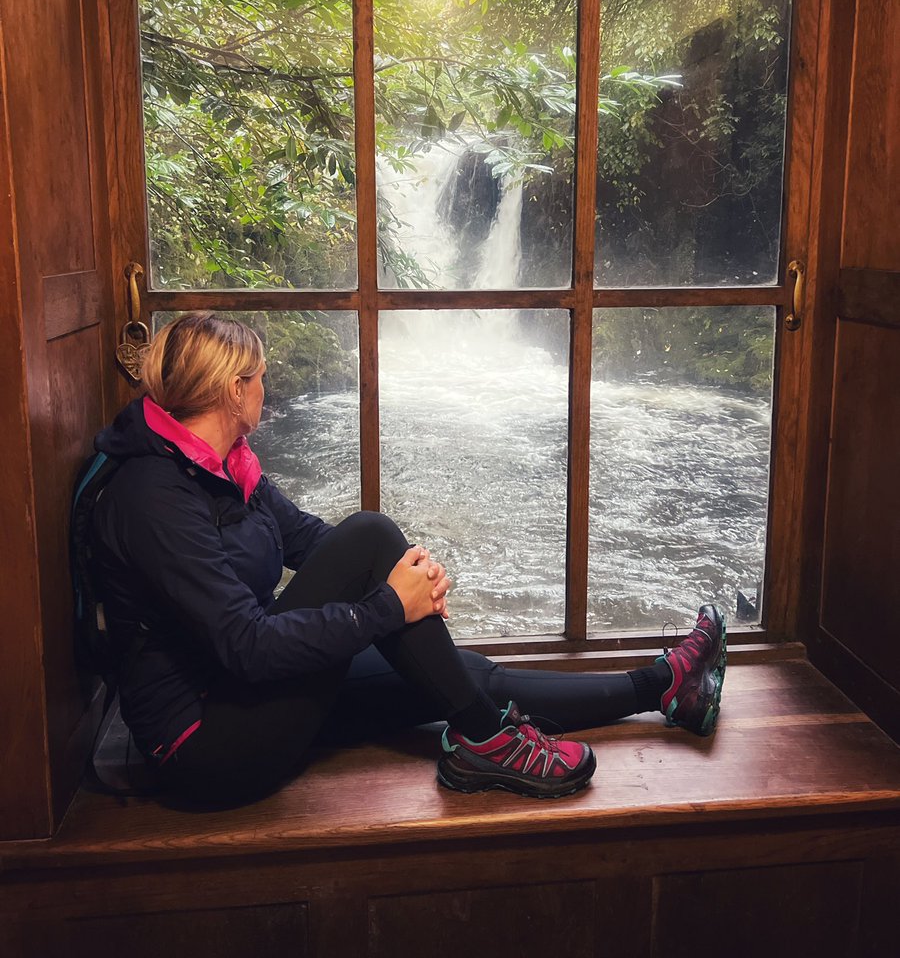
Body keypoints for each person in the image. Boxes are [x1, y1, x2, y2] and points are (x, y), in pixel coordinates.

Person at [90, 312, 727, 806]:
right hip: (208, 743)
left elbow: (308, 541)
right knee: (370, 536)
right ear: (234, 389)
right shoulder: (153, 498)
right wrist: (390, 605)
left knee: (463, 675)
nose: (267, 388)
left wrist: (412, 575)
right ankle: (488, 742)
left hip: (246, 692)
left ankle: (664, 687)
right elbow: (247, 645)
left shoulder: (224, 466)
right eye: (261, 377)